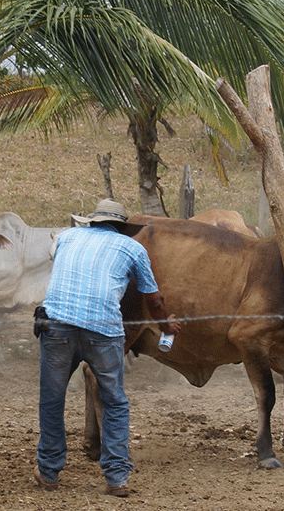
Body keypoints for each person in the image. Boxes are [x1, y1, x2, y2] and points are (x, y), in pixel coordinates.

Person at [34, 198, 181, 497]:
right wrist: (167, 326)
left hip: (57, 325)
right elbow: (154, 299)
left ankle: (49, 471)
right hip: (103, 331)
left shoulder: (67, 237)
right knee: (115, 402)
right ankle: (116, 477)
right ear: (122, 228)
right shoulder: (132, 248)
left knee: (52, 399)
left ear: (93, 222)